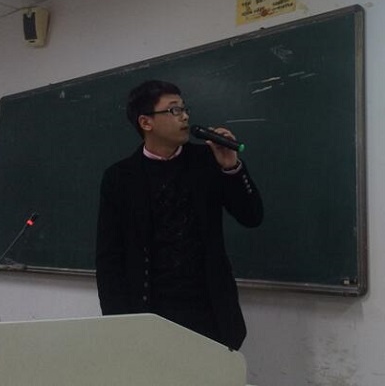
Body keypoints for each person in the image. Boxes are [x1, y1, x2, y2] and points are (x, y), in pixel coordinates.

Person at [96, 80, 263, 350]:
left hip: (210, 312)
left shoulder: (207, 160)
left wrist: (231, 168)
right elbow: (109, 259)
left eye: (185, 109)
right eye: (174, 110)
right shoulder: (120, 178)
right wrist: (119, 325)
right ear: (146, 122)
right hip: (149, 313)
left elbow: (252, 216)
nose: (184, 116)